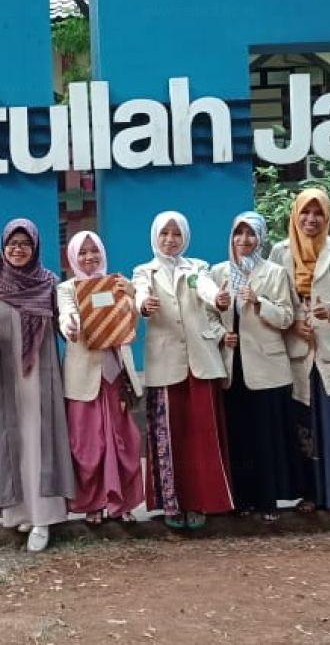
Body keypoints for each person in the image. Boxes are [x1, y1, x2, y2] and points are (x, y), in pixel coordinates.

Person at [270, 188, 330, 527]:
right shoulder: (280, 252)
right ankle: (311, 492)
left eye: (318, 214)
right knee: (304, 427)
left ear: (327, 218)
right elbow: (275, 297)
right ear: (294, 215)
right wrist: (293, 322)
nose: (310, 220)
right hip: (297, 351)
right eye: (305, 213)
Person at [133, 210, 233, 530]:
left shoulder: (197, 267)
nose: (170, 240)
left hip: (200, 361)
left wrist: (217, 298)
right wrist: (143, 304)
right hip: (165, 362)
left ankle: (204, 501)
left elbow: (202, 286)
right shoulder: (144, 271)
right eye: (164, 233)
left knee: (203, 435)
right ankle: (171, 503)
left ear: (186, 237)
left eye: (176, 234)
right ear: (155, 236)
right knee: (169, 435)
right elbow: (139, 293)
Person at [202, 211, 298, 523]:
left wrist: (259, 302)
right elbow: (207, 316)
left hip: (266, 367)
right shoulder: (219, 272)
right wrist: (221, 334)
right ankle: (241, 500)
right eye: (238, 233)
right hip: (232, 366)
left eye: (251, 234)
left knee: (266, 435)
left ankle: (268, 500)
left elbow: (287, 317)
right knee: (239, 435)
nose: (243, 240)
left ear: (261, 238)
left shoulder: (275, 273)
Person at [0, 218, 75, 551]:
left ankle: (43, 517)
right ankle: (20, 511)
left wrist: (73, 324)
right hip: (6, 378)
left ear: (35, 247)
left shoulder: (49, 283)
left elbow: (66, 319)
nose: (18, 249)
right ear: (3, 247)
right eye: (12, 244)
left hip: (41, 375)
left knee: (40, 441)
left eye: (25, 244)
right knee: (15, 442)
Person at [57, 230, 144, 525]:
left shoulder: (117, 283)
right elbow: (66, 314)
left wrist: (131, 295)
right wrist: (70, 325)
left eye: (94, 251)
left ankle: (123, 503)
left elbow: (131, 322)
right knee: (87, 443)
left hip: (115, 376)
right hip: (84, 377)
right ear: (72, 257)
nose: (89, 257)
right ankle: (92, 504)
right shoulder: (67, 288)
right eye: (82, 252)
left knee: (122, 441)